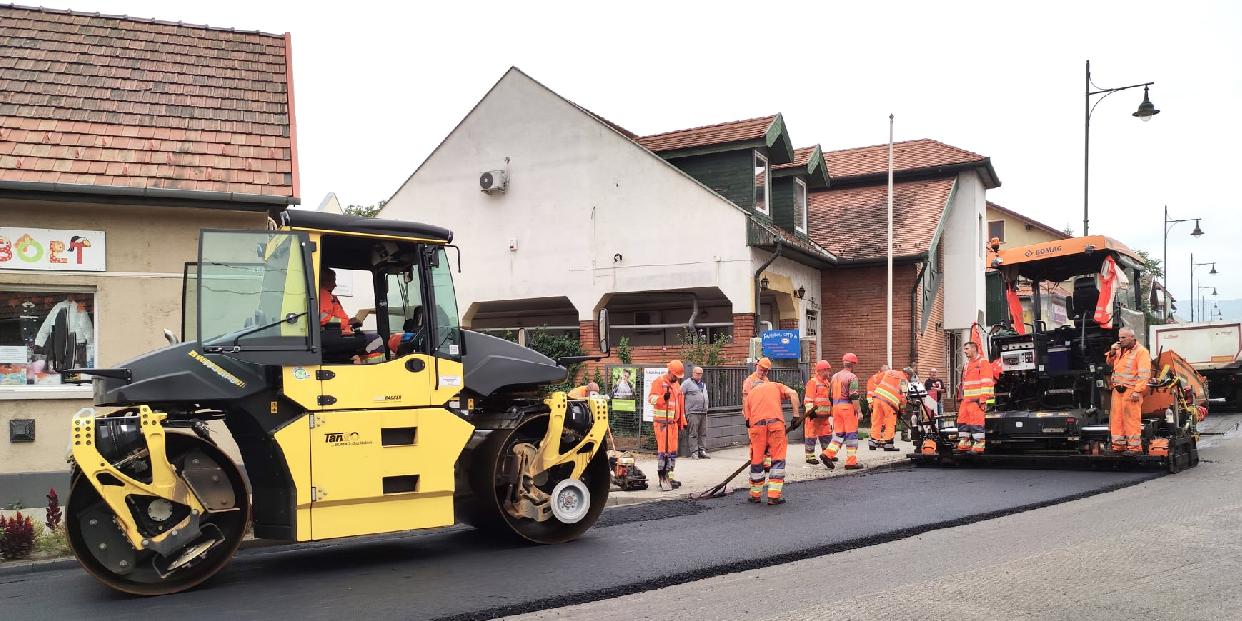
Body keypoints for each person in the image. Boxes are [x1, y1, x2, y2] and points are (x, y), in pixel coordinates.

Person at [742, 375, 802, 505]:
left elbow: (747, 421)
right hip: (775, 425)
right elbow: (793, 394)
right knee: (778, 459)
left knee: (757, 460)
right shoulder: (775, 385)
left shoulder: (749, 395)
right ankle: (774, 496)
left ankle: (755, 495)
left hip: (757, 427)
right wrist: (796, 416)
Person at [1105, 327, 1151, 455]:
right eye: (1119, 338)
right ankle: (1118, 446)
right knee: (1117, 419)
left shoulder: (1141, 352)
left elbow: (1144, 374)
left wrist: (1138, 391)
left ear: (1132, 337)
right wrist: (1112, 352)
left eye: (1123, 338)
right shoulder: (1119, 350)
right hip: (1118, 390)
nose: (1121, 340)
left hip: (1131, 390)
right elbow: (1109, 363)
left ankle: (1134, 448)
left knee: (1131, 419)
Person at [647, 360, 687, 491]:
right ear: (670, 372)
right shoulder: (659, 382)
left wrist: (682, 422)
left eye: (678, 377)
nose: (677, 379)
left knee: (672, 452)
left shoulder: (676, 386)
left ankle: (670, 476)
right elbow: (651, 398)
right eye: (675, 376)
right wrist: (662, 398)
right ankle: (661, 476)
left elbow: (679, 406)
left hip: (673, 425)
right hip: (662, 424)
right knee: (663, 451)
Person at [822, 353, 864, 469]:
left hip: (836, 408)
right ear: (854, 364)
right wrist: (859, 411)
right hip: (847, 408)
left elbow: (830, 395)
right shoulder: (852, 377)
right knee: (851, 435)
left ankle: (827, 454)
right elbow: (854, 396)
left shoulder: (834, 376)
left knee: (839, 434)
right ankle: (851, 462)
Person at [319, 268, 367, 361]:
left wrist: (349, 322)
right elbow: (322, 318)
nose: (335, 284)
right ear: (323, 280)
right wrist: (346, 323)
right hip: (333, 335)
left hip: (337, 334)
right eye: (332, 280)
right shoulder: (323, 294)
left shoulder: (329, 296)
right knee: (372, 339)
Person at [957, 340, 995, 454]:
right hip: (967, 400)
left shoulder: (983, 363)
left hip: (977, 399)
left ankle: (979, 443)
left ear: (974, 348)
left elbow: (987, 381)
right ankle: (965, 441)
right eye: (964, 349)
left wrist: (983, 399)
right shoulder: (967, 365)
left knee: (976, 421)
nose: (964, 351)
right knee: (962, 420)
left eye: (967, 349)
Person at [869, 366, 909, 451]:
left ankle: (873, 442)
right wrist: (902, 410)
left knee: (877, 420)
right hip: (889, 403)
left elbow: (877, 381)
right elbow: (903, 397)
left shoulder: (889, 372)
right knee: (890, 422)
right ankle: (888, 443)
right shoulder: (904, 379)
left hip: (877, 398)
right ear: (908, 375)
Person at [803, 360, 834, 466]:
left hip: (824, 416)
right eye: (827, 370)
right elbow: (808, 398)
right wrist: (810, 412)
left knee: (826, 435)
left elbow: (828, 400)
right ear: (820, 371)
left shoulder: (827, 383)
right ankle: (810, 456)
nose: (828, 373)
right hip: (814, 416)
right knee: (811, 435)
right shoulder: (813, 382)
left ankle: (827, 454)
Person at [681, 366, 711, 459]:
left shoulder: (703, 384)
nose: (699, 375)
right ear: (693, 373)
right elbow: (680, 396)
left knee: (703, 433)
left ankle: (702, 451)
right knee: (693, 433)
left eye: (700, 373)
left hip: (703, 412)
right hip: (692, 412)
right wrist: (683, 411)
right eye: (697, 373)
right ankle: (694, 452)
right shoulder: (687, 383)